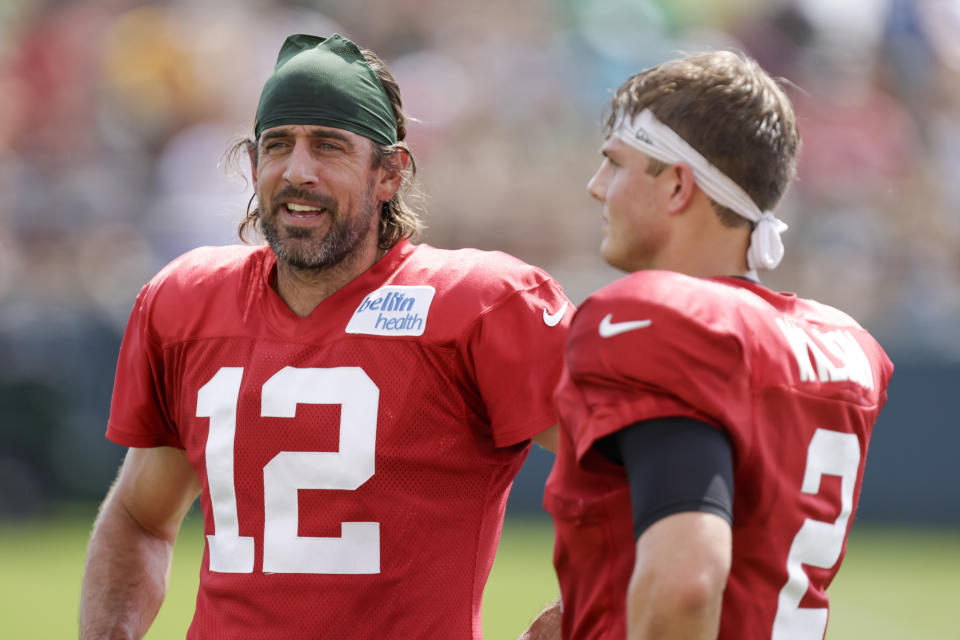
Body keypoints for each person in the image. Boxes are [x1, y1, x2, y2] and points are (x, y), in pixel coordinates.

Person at [79, 33, 571, 640]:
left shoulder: (479, 303)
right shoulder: (186, 303)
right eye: (277, 145)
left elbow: (633, 475)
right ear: (253, 163)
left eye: (329, 146)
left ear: (390, 172)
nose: (298, 171)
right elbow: (137, 517)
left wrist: (563, 623)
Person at [544, 51, 894, 640]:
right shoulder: (844, 342)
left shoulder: (658, 318)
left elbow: (686, 585)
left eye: (615, 163)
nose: (596, 187)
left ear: (678, 184)